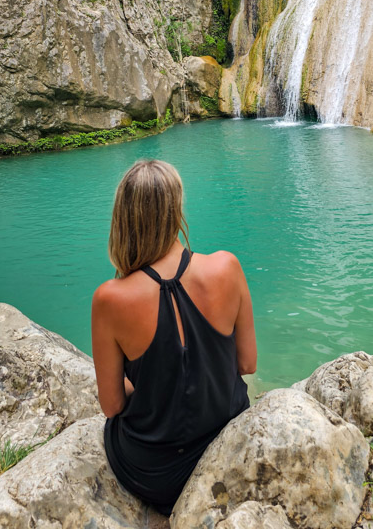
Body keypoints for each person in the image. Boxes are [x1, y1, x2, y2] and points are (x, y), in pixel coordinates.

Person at [92, 158, 257, 516]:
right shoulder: (227, 266)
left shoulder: (110, 299)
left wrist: (152, 385)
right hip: (224, 439)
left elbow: (112, 405)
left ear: (123, 218)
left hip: (155, 473)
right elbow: (246, 363)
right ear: (176, 210)